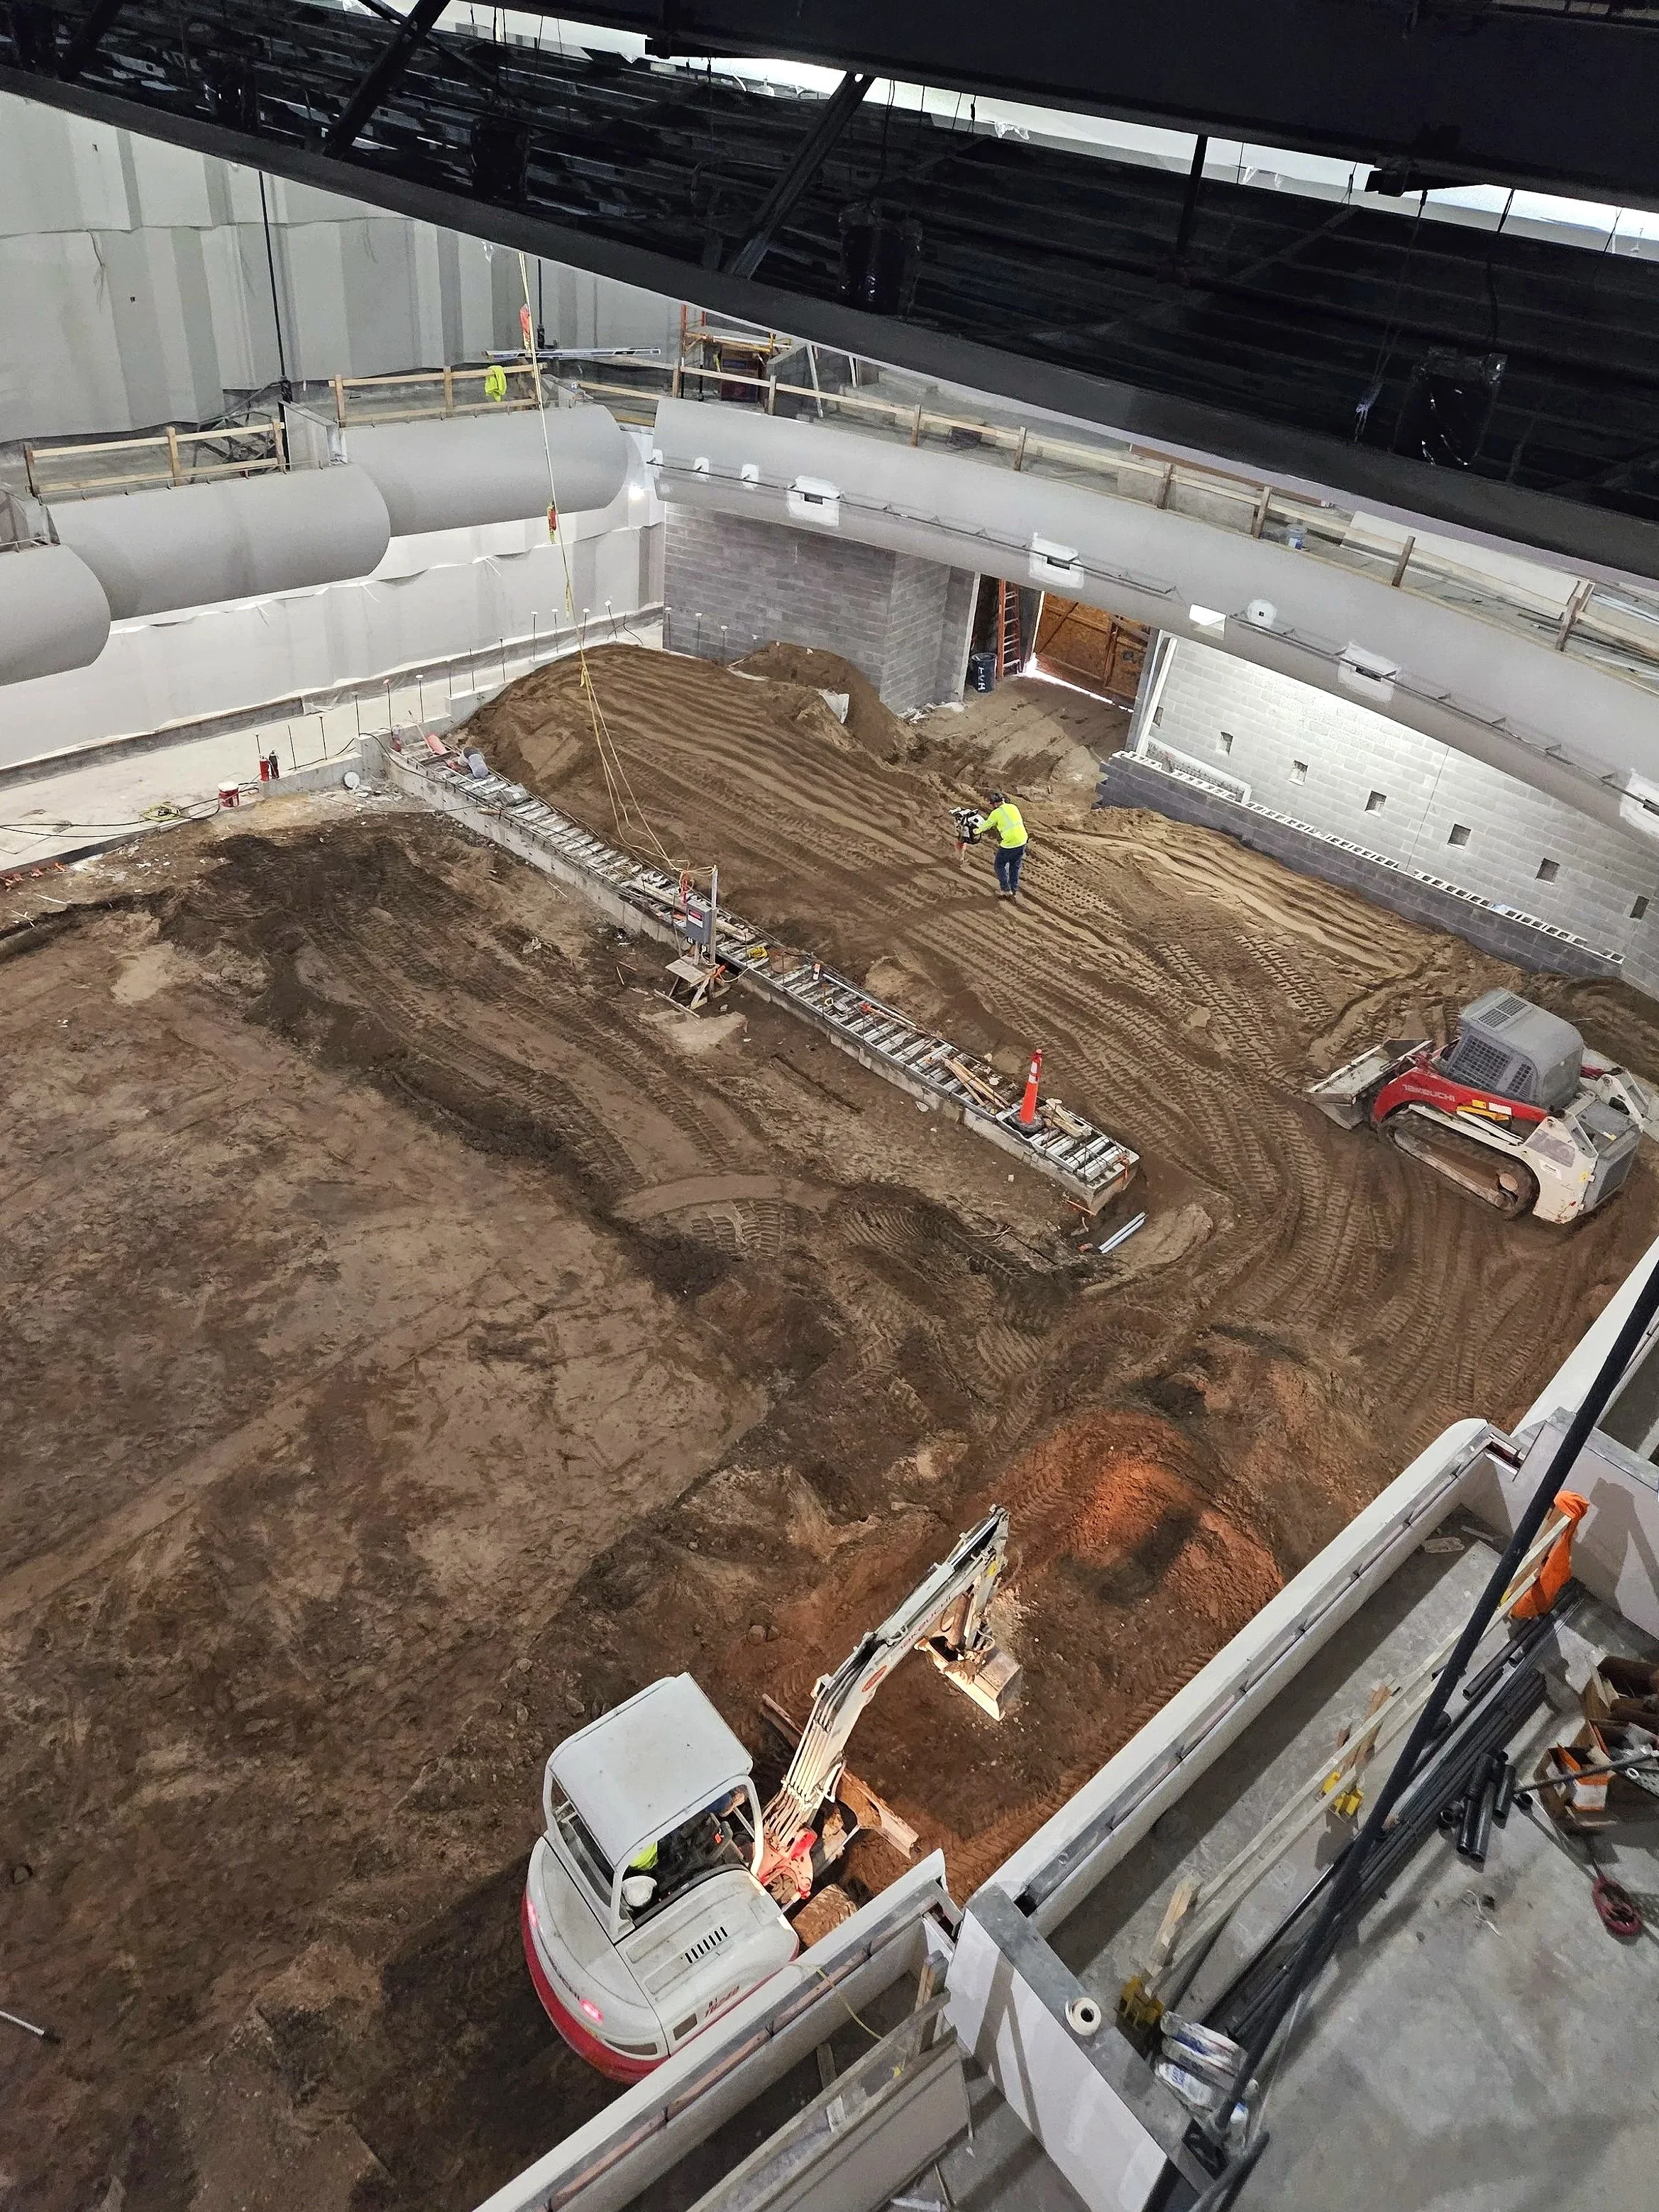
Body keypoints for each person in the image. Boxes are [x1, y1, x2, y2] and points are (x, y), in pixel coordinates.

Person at [977, 791, 1029, 900]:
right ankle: (1014, 889)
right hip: (1023, 840)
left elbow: (985, 826)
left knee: (999, 865)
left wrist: (975, 831)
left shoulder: (996, 813)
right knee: (1014, 866)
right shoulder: (1013, 807)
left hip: (1010, 844)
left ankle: (1006, 890)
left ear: (995, 804)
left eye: (992, 804)